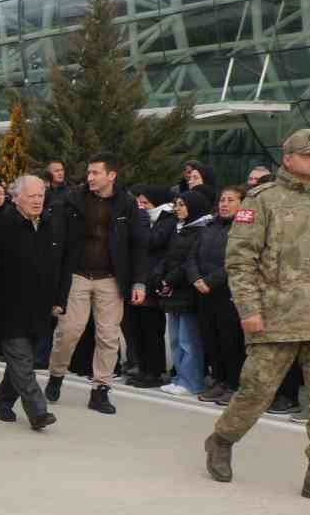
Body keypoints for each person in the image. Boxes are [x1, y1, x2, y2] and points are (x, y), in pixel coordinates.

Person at [204, 130, 310, 504]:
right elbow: (240, 261)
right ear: (288, 158)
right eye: (309, 154)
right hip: (276, 319)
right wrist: (249, 310)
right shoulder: (262, 200)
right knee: (256, 391)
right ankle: (222, 439)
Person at [45, 153, 150, 415]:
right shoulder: (72, 200)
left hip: (111, 279)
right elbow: (56, 236)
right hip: (78, 276)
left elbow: (139, 245)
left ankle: (101, 389)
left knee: (108, 336)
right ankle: (57, 374)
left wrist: (139, 281)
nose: (90, 177)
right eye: (89, 173)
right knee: (70, 331)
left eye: (95, 173)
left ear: (111, 175)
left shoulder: (127, 204)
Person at [0, 174, 59, 430]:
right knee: (22, 360)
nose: (38, 201)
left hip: (39, 307)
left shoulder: (48, 223)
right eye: (32, 196)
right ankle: (38, 411)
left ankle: (2, 402)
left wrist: (57, 299)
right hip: (9, 306)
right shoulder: (1, 225)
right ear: (16, 197)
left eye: (41, 195)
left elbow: (56, 264)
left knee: (21, 360)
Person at [189, 187, 247, 406]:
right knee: (210, 339)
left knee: (230, 342)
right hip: (203, 292)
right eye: (222, 200)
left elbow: (237, 261)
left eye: (230, 200)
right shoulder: (209, 226)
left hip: (228, 293)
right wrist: (195, 278)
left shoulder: (243, 229)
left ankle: (234, 385)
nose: (224, 204)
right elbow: (192, 256)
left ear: (242, 204)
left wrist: (210, 281)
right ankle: (219, 381)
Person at [157, 190, 214, 397]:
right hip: (173, 291)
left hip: (188, 291)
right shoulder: (180, 228)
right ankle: (180, 377)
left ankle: (192, 381)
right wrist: (159, 277)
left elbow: (187, 262)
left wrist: (168, 279)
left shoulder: (201, 230)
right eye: (176, 204)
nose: (177, 208)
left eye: (182, 204)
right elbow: (169, 256)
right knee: (174, 339)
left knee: (188, 340)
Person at [123, 187, 173, 389]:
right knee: (137, 329)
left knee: (152, 331)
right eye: (139, 203)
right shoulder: (144, 220)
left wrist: (141, 219)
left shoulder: (166, 221)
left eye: (146, 203)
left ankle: (154, 371)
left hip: (153, 282)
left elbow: (151, 241)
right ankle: (142, 368)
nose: (141, 207)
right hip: (138, 280)